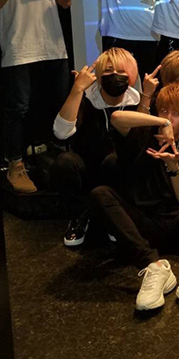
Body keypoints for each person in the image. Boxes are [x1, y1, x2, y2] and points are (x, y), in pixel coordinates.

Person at [91, 83, 179, 317]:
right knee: (100, 194)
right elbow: (116, 117)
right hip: (146, 225)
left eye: (176, 114)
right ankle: (153, 266)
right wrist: (162, 123)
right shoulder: (141, 136)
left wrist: (173, 167)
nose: (169, 118)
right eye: (164, 111)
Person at [0, 0, 75, 193]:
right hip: (17, 47)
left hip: (53, 46)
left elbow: (66, 1)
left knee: (58, 104)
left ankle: (58, 161)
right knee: (17, 109)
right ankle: (15, 165)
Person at [52, 48, 140, 246]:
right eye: (108, 71)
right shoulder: (86, 99)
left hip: (118, 173)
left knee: (116, 160)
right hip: (88, 170)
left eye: (121, 71)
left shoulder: (138, 102)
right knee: (64, 163)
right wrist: (77, 90)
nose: (114, 76)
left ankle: (115, 217)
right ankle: (80, 216)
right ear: (99, 75)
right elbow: (60, 133)